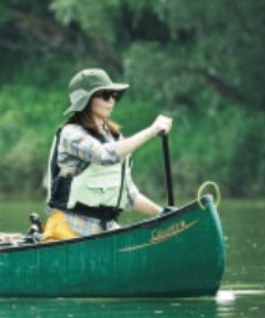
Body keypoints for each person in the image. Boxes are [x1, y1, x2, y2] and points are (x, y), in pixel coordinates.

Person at [44, 68, 173, 240]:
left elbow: (129, 194)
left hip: (106, 229)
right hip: (68, 230)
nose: (111, 100)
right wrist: (151, 131)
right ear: (87, 100)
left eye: (114, 95)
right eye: (105, 95)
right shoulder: (71, 134)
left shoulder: (114, 137)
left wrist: (163, 214)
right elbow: (105, 155)